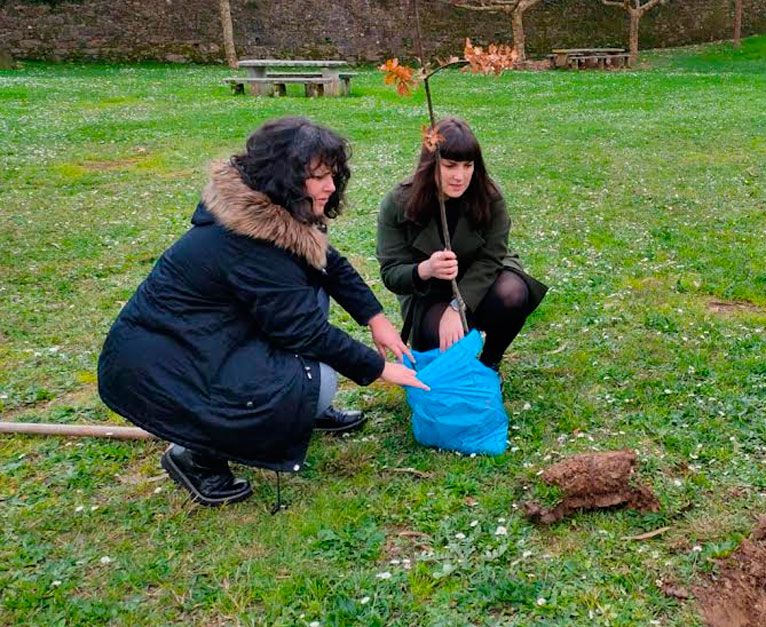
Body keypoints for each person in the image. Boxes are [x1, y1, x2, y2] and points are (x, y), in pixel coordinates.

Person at [98, 117, 427, 507]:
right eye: (319, 177)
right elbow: (303, 331)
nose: (331, 187)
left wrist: (376, 318)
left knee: (311, 304)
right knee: (315, 379)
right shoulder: (247, 243)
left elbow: (329, 264)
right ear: (284, 177)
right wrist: (378, 369)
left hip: (207, 337)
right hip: (165, 365)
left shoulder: (274, 217)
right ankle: (195, 455)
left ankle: (300, 415)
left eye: (333, 175)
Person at [376, 117, 546, 372]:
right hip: (429, 292)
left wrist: (458, 306)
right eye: (450, 165)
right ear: (430, 164)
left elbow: (492, 257)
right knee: (438, 345)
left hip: (482, 281)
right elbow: (391, 273)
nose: (460, 176)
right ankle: (458, 371)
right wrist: (425, 269)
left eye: (468, 166)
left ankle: (489, 363)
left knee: (512, 293)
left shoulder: (489, 196)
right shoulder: (399, 202)